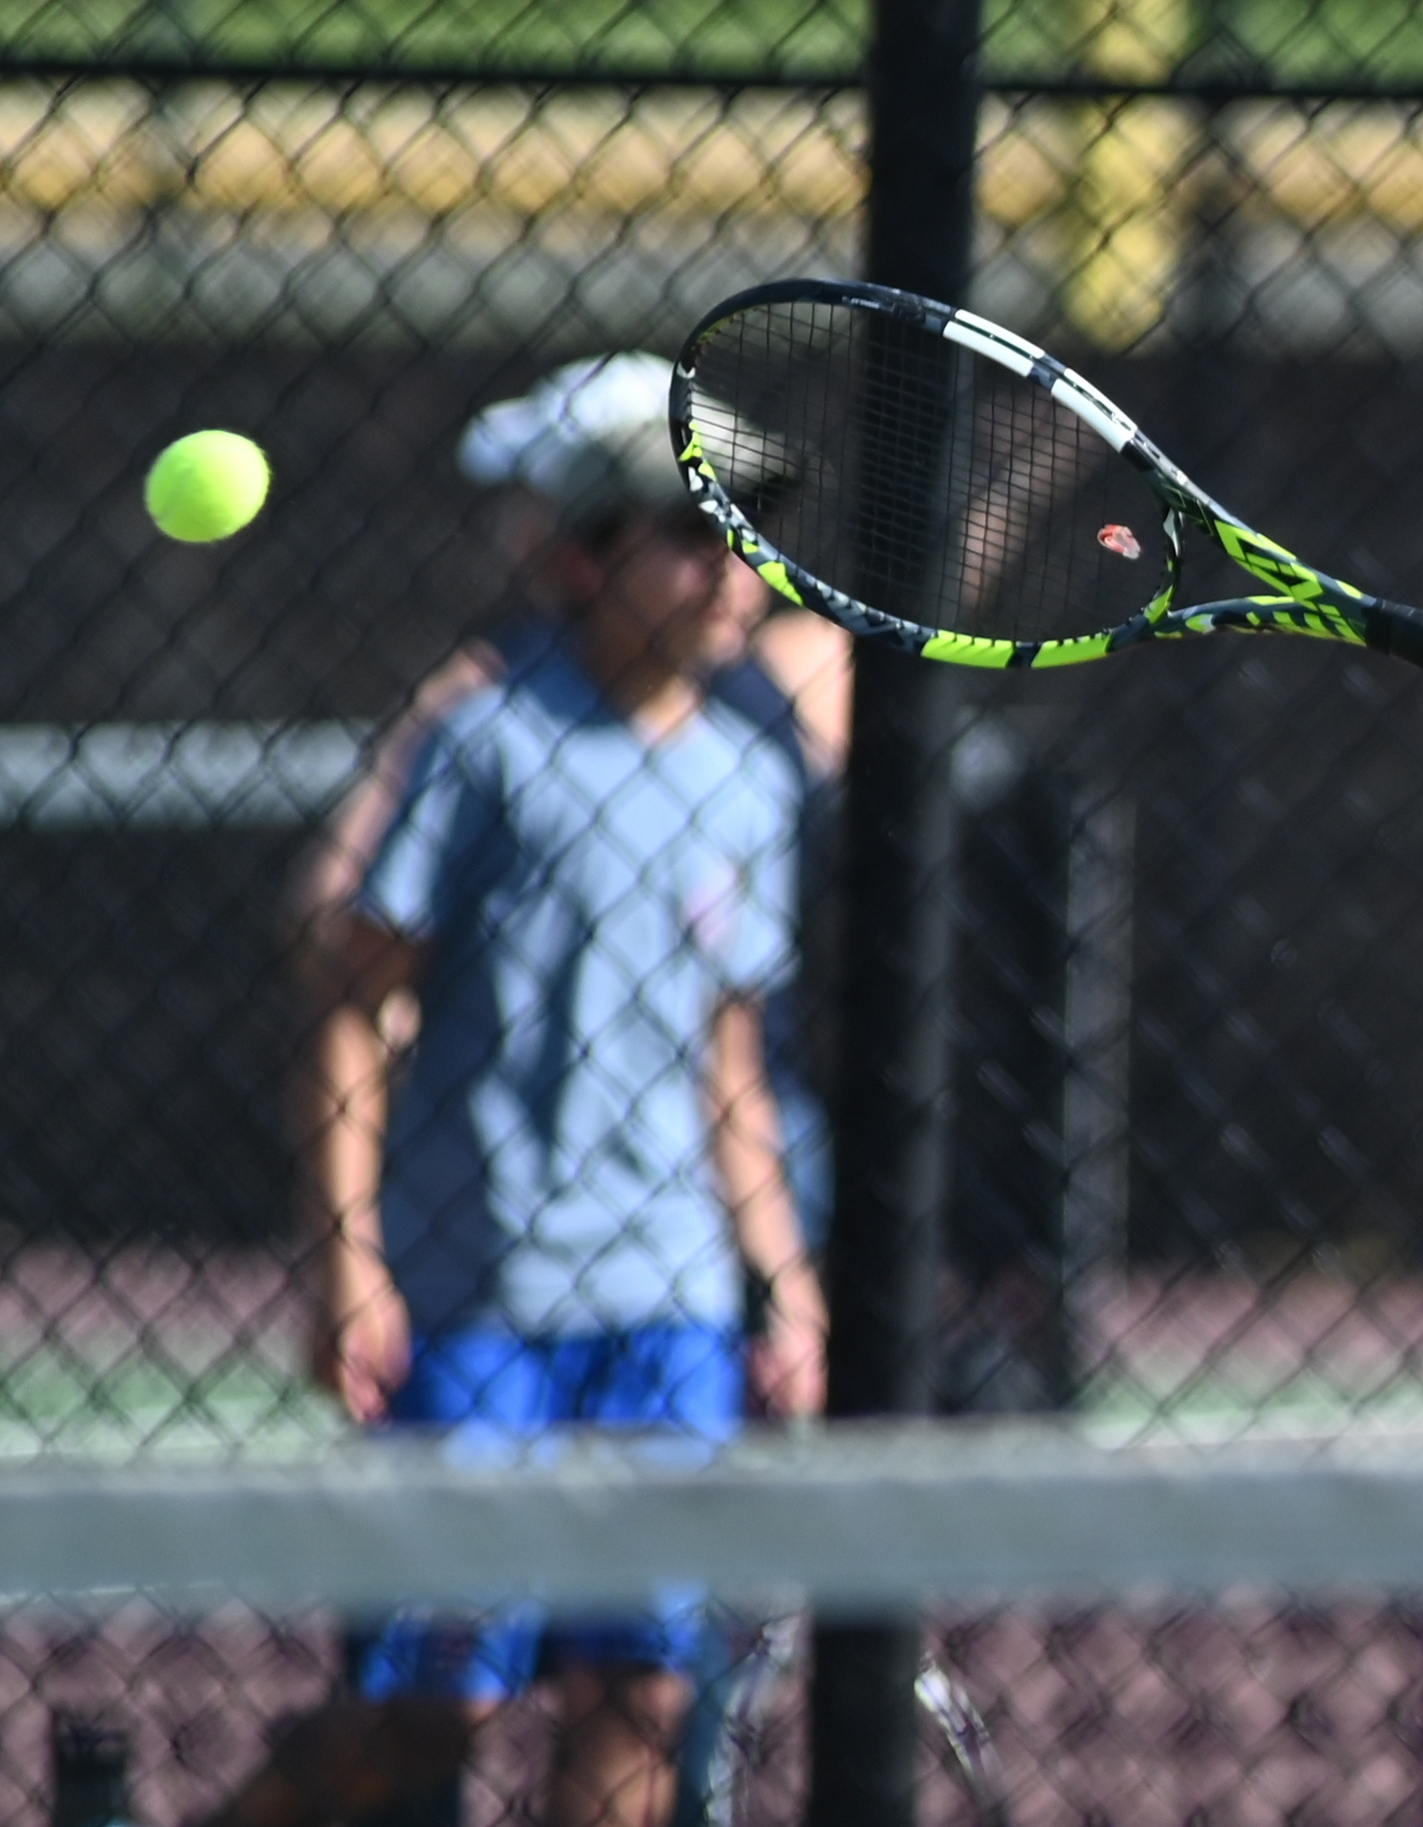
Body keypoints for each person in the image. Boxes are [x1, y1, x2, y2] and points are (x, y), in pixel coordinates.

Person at [210, 357, 830, 1827]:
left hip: (667, 1307)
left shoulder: (749, 775)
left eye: (747, 533)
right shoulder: (486, 748)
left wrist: (779, 1279)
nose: (732, 564)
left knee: (638, 1690)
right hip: (477, 1302)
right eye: (692, 533)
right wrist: (348, 1256)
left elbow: (726, 1060)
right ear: (579, 558)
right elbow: (356, 1006)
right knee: (436, 1703)